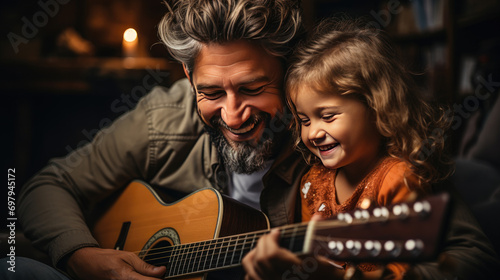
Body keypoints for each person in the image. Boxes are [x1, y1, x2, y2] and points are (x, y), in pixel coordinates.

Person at [2, 1, 498, 280]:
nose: (234, 115)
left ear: (289, 71)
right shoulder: (165, 118)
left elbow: (474, 258)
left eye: (254, 88)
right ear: (186, 77)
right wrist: (85, 257)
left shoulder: (342, 139)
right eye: (211, 92)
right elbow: (45, 186)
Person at [241, 18, 500, 280]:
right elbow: (312, 261)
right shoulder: (313, 181)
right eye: (304, 120)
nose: (313, 133)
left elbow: (405, 271)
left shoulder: (398, 179)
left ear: (377, 108)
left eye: (328, 116)